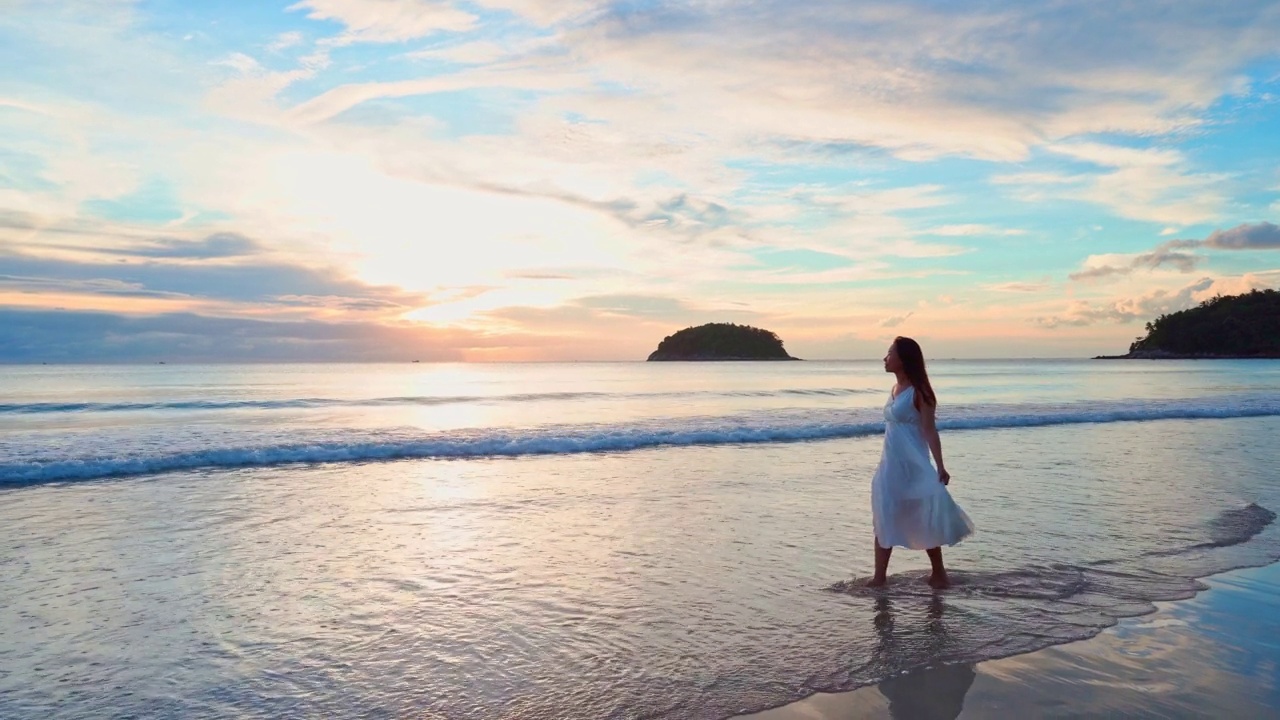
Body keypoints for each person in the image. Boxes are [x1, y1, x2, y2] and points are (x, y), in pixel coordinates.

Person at [867, 336, 973, 589]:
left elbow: (929, 430)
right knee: (884, 514)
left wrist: (940, 465)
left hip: (914, 465)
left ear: (904, 359)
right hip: (890, 465)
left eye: (890, 353)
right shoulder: (894, 390)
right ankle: (879, 577)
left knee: (923, 515)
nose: (885, 357)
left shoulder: (921, 392)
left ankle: (939, 573)